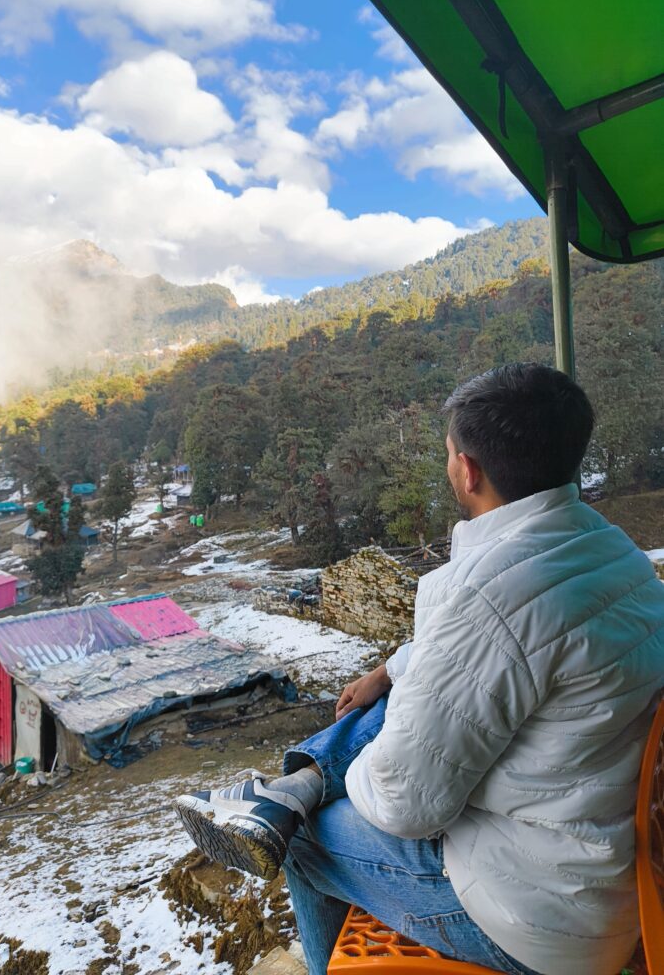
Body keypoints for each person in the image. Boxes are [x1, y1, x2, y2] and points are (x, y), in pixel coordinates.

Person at [175, 363, 664, 975]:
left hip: (541, 918)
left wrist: (358, 769)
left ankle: (294, 802)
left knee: (304, 840)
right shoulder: (609, 550)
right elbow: (491, 652)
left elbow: (405, 803)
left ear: (468, 470)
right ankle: (289, 792)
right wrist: (389, 671)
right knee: (396, 698)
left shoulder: (489, 598)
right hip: (607, 865)